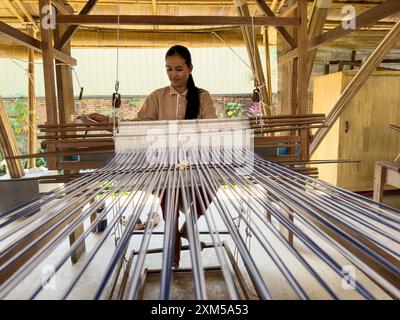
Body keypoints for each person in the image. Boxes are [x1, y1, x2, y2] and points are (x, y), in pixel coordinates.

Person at [82, 45, 217, 268]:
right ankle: (173, 236)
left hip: (194, 161)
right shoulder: (157, 97)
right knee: (169, 194)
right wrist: (107, 121)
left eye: (179, 69)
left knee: (210, 187)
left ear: (190, 69)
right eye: (169, 69)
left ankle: (188, 225)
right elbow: (138, 126)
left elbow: (211, 129)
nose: (174, 74)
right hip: (163, 163)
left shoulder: (202, 97)